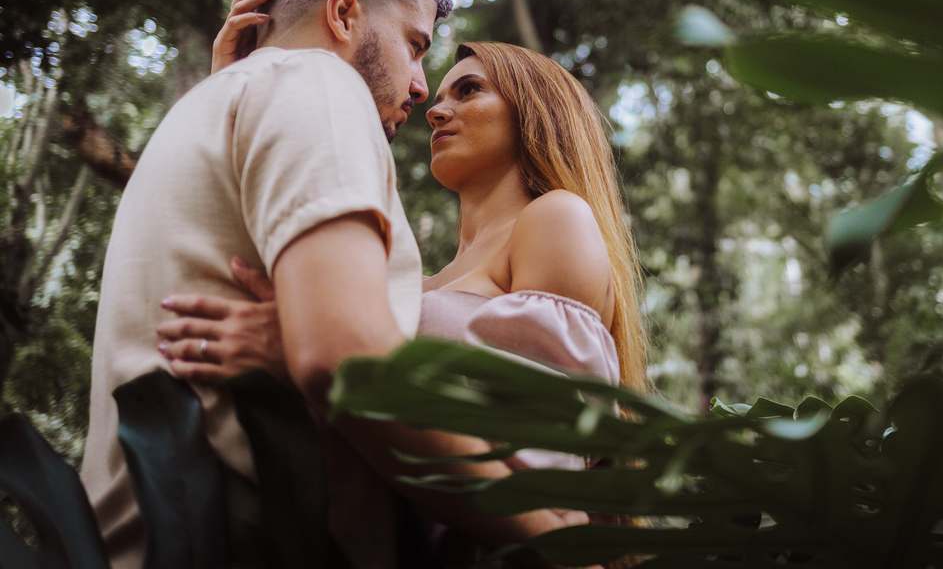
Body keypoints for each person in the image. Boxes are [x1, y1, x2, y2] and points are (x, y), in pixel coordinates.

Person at [81, 0, 584, 569]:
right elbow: (343, 357)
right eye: (414, 44)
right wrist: (559, 544)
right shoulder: (319, 83)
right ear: (343, 15)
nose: (421, 88)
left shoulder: (206, 109)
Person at [156, 40, 650, 563]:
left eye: (469, 90)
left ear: (536, 111)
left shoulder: (555, 218)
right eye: (439, 97)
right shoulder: (416, 281)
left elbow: (542, 477)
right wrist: (235, 90)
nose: (436, 110)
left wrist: (329, 361)